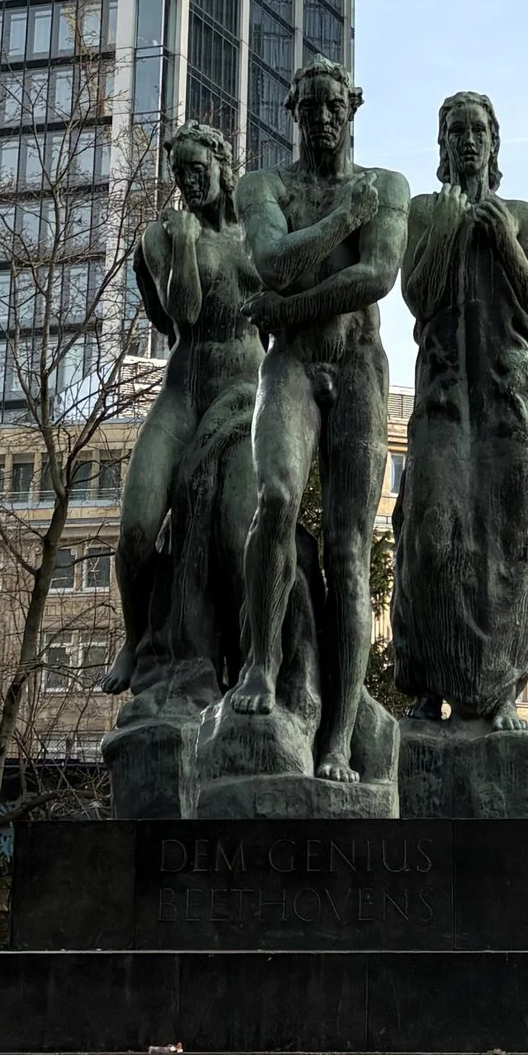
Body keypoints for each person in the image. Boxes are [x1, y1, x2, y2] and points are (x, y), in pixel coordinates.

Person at [227, 57, 408, 780]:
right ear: (292, 112)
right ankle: (262, 663)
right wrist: (341, 221)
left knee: (347, 553)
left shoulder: (388, 186)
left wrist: (290, 306)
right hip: (294, 366)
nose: (323, 117)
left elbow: (378, 277)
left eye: (335, 104)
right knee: (273, 497)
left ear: (353, 108)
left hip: (360, 368)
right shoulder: (265, 186)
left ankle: (336, 739)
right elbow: (271, 261)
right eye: (310, 106)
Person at [390, 90, 528, 722]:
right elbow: (418, 298)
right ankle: (428, 683)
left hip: (507, 405)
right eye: (454, 131)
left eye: (475, 130)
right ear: (442, 147)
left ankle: (500, 692)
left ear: (493, 142)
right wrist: (453, 232)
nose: (465, 140)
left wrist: (505, 244)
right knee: (430, 538)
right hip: (442, 403)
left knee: (508, 543)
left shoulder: (521, 215)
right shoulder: (426, 212)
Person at [101, 122, 262, 696]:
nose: (189, 182)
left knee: (237, 537)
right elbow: (184, 313)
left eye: (198, 169)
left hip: (243, 400)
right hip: (182, 396)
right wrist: (188, 244)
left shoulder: (257, 233)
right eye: (180, 174)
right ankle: (135, 636)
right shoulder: (163, 235)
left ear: (223, 165)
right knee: (138, 528)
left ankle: (249, 659)